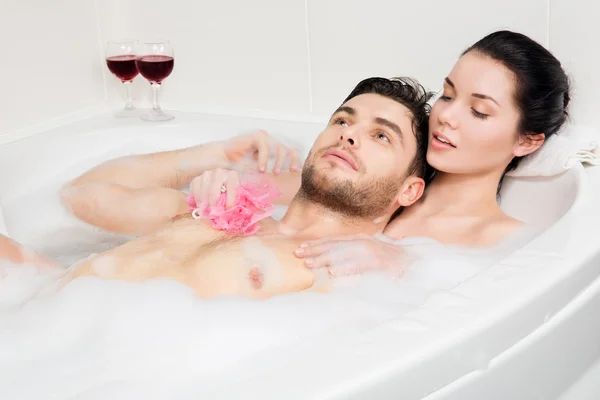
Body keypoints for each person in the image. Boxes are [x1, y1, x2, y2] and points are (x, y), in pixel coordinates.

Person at [1, 76, 433, 299]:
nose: (348, 134)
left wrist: (398, 259)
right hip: (41, 301)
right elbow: (82, 196)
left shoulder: (355, 275)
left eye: (381, 136)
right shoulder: (221, 210)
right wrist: (212, 157)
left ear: (409, 192)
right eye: (342, 120)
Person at [196, 30, 571, 277]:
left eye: (479, 111)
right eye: (449, 94)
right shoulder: (371, 176)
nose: (446, 117)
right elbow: (248, 198)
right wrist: (218, 177)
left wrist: (407, 265)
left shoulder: (507, 243)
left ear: (527, 141)